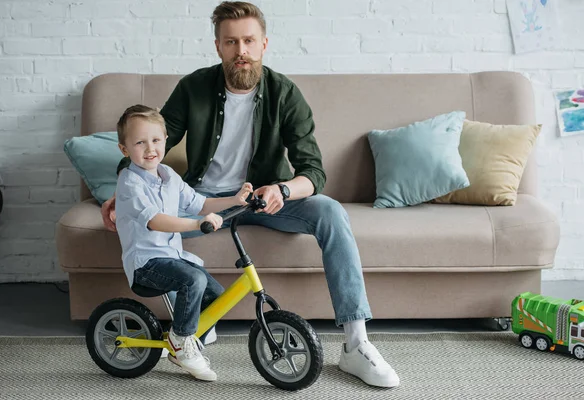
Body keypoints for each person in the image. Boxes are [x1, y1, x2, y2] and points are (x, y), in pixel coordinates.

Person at [103, 1, 400, 388]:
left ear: (263, 44)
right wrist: (121, 193)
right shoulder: (194, 87)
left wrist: (282, 188)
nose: (240, 50)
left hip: (262, 197)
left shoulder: (285, 93)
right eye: (231, 42)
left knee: (329, 211)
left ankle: (356, 345)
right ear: (218, 47)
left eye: (248, 41)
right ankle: (187, 334)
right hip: (204, 200)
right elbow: (151, 146)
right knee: (155, 234)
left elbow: (314, 171)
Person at [114, 104, 253, 381]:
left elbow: (199, 202)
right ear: (125, 149)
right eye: (140, 142)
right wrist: (195, 225)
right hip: (146, 263)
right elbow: (155, 221)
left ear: (166, 139)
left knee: (215, 294)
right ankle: (181, 343)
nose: (150, 148)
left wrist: (234, 200)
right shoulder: (130, 183)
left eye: (155, 140)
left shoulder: (168, 175)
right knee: (193, 281)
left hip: (172, 257)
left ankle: (186, 338)